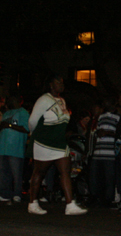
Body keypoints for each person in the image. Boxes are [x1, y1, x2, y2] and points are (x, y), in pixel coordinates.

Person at [27, 75, 87, 215]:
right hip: (45, 142)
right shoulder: (43, 99)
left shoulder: (62, 101)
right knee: (39, 172)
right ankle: (32, 203)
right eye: (58, 82)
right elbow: (32, 121)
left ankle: (70, 205)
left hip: (59, 142)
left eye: (62, 82)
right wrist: (37, 135)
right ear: (51, 85)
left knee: (65, 170)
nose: (61, 84)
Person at [0, 96, 30, 203]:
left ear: (19, 101)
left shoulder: (23, 113)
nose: (9, 101)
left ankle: (17, 193)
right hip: (4, 147)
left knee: (16, 173)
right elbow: (1, 127)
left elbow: (26, 129)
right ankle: (5, 194)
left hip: (15, 148)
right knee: (4, 172)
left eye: (11, 99)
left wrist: (9, 125)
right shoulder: (7, 113)